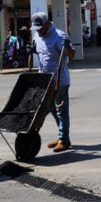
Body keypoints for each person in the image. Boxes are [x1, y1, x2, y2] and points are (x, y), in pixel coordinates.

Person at [31, 12, 74, 152]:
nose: (38, 31)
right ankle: (61, 135)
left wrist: (67, 47)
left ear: (47, 24)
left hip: (59, 80)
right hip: (45, 80)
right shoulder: (37, 35)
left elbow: (72, 55)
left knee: (61, 110)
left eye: (40, 28)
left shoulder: (59, 36)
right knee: (50, 108)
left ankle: (64, 139)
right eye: (36, 28)